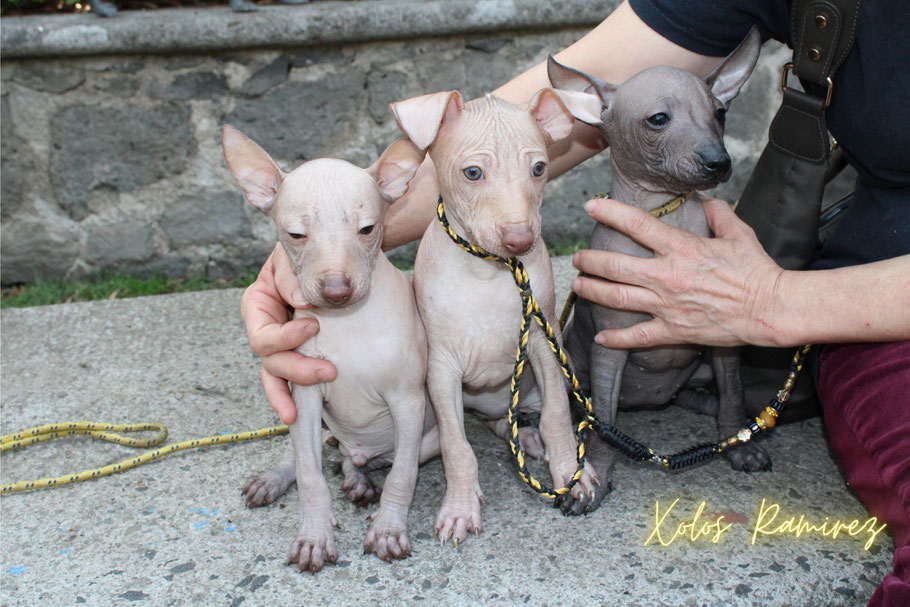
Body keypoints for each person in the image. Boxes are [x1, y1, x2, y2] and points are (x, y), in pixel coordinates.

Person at [240, 1, 909, 604]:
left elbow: (544, 341)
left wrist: (783, 299)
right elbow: (494, 133)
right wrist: (310, 250)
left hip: (857, 311)